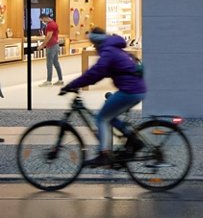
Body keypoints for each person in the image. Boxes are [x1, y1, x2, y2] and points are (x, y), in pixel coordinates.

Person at [60, 27, 147, 167]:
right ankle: (133, 140)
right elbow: (102, 72)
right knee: (110, 116)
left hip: (130, 90)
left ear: (97, 41)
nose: (94, 48)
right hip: (136, 89)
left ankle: (104, 154)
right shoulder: (114, 48)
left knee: (101, 118)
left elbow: (95, 73)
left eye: (94, 44)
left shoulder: (108, 51)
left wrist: (71, 85)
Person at [39, 12, 63, 86]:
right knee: (56, 63)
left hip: (51, 46)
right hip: (56, 45)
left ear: (45, 18)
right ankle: (60, 80)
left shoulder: (50, 25)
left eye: (42, 20)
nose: (42, 22)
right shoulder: (54, 23)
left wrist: (42, 45)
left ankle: (48, 81)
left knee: (49, 64)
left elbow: (48, 37)